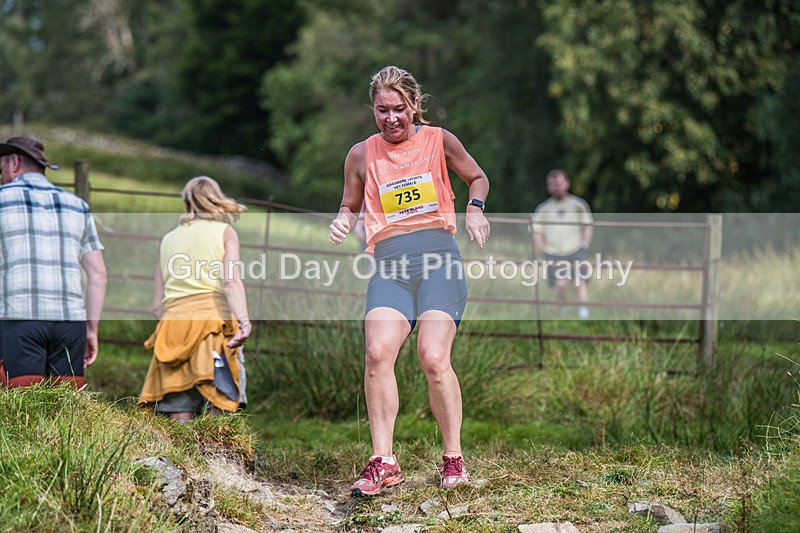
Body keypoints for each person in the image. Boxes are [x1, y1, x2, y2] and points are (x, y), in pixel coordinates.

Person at [328, 65, 490, 496]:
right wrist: (342, 220)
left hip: (439, 262)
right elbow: (349, 204)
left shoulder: (439, 140)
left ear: (415, 105)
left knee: (433, 357)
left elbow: (477, 177)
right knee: (377, 353)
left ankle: (453, 458)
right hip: (390, 268)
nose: (391, 118)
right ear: (373, 110)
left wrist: (474, 207)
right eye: (382, 110)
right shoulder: (360, 154)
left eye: (399, 108)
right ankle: (383, 462)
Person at [139, 176, 251, 422]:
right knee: (218, 407)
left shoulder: (169, 239)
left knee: (178, 412)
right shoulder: (225, 232)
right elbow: (231, 282)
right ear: (216, 199)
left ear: (186, 203)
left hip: (174, 329)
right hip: (213, 326)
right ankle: (213, 449)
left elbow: (157, 305)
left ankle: (179, 449)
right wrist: (244, 321)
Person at [0, 136, 107, 389]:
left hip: (18, 317)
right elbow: (98, 274)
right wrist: (91, 329)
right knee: (64, 404)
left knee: (20, 403)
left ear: (14, 162)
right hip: (70, 323)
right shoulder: (78, 205)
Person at [532, 169, 594, 319]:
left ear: (567, 183)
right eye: (553, 184)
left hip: (575, 249)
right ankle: (562, 311)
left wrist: (584, 245)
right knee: (560, 284)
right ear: (549, 187)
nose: (557, 186)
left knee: (579, 282)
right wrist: (543, 249)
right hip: (553, 252)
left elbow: (587, 226)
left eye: (559, 183)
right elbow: (537, 231)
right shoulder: (543, 208)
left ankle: (583, 312)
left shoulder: (578, 205)